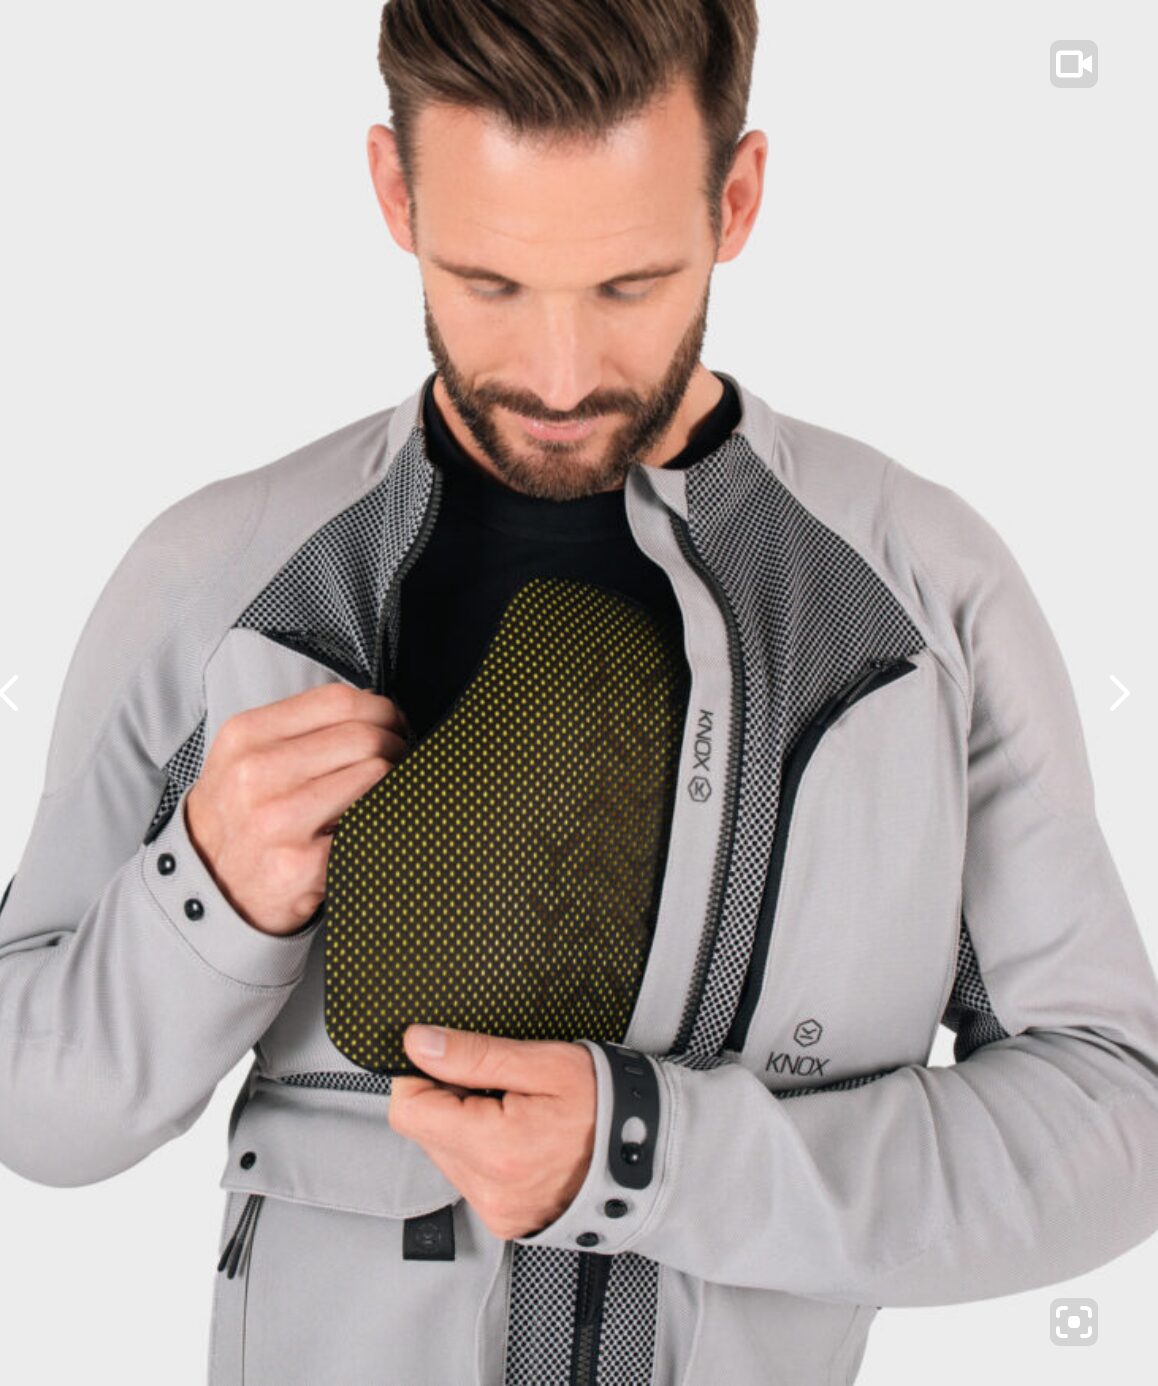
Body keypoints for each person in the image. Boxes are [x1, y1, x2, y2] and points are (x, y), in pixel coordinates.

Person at [3, 3, 1157, 1382]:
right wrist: (204, 895)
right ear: (395, 194)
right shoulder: (218, 576)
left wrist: (653, 1158)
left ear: (736, 200)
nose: (558, 379)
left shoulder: (920, 593)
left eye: (627, 288)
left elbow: (1113, 1119)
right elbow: (38, 1117)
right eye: (490, 284)